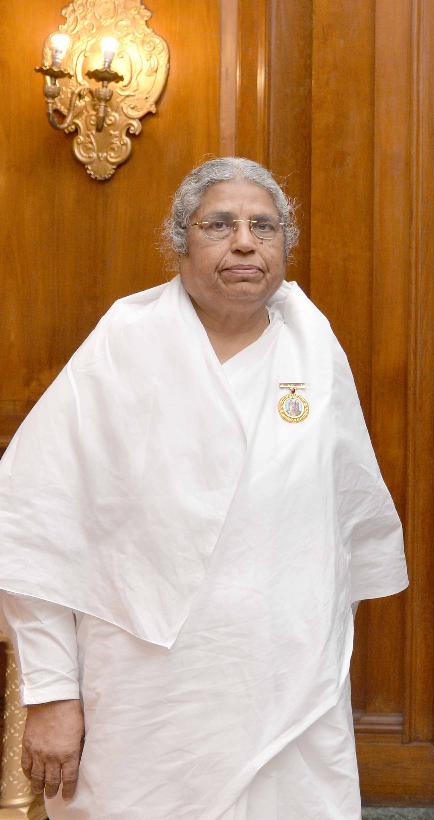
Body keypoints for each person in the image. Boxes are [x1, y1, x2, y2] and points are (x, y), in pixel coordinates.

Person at [0, 157, 408, 819]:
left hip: (288, 691)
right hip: (148, 696)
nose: (245, 242)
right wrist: (50, 691)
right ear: (179, 243)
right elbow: (34, 525)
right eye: (219, 224)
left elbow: (344, 524)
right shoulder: (125, 343)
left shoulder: (312, 347)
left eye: (264, 226)